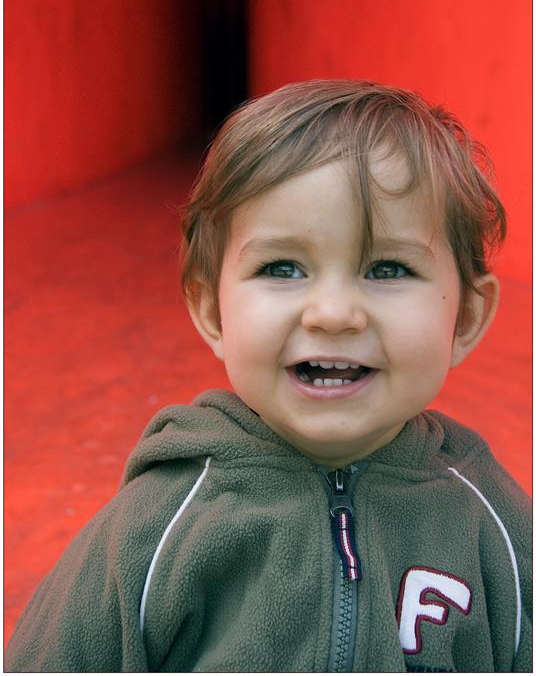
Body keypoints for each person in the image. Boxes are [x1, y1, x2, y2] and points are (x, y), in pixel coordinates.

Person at [5, 80, 531, 673]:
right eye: (282, 267)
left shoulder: (499, 533)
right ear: (211, 311)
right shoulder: (156, 533)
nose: (333, 313)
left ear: (464, 316)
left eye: (388, 267)